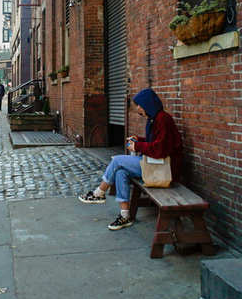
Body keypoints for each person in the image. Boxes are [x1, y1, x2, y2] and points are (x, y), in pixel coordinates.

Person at [78, 88, 183, 230]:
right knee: (121, 172)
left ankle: (99, 193)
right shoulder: (154, 119)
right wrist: (139, 140)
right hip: (153, 163)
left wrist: (138, 146)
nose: (138, 108)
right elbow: (155, 142)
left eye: (140, 105)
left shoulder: (163, 119)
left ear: (148, 104)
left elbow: (160, 150)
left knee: (117, 161)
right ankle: (125, 215)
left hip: (164, 169)